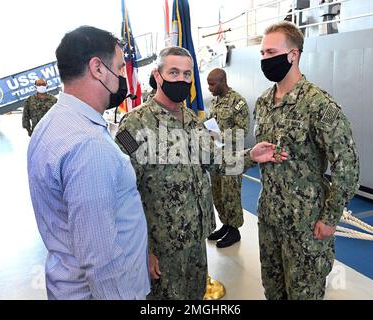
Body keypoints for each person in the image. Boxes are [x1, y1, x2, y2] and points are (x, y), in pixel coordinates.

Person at [114, 46, 286, 300]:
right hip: (162, 244)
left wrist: (251, 156)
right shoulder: (135, 123)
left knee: (195, 295)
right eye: (173, 72)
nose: (181, 80)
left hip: (196, 237)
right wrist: (143, 249)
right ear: (158, 75)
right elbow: (123, 192)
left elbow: (215, 161)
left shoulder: (192, 120)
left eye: (187, 74)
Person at [27, 26, 150, 300]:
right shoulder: (88, 146)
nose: (122, 76)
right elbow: (101, 259)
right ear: (97, 68)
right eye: (119, 67)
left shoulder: (53, 123)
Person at [255, 21, 359, 300]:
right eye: (262, 53)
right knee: (273, 291)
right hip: (269, 219)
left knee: (304, 294)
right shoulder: (264, 102)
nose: (265, 59)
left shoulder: (318, 104)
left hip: (306, 224)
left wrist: (329, 218)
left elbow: (346, 166)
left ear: (293, 54)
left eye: (271, 52)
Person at [206, 68, 250, 248]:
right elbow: (211, 123)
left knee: (230, 194)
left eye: (212, 84)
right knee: (218, 193)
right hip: (217, 157)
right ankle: (225, 224)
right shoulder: (214, 102)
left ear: (223, 81)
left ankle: (234, 231)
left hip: (233, 157)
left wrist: (219, 137)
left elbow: (243, 131)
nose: (209, 88)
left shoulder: (238, 102)